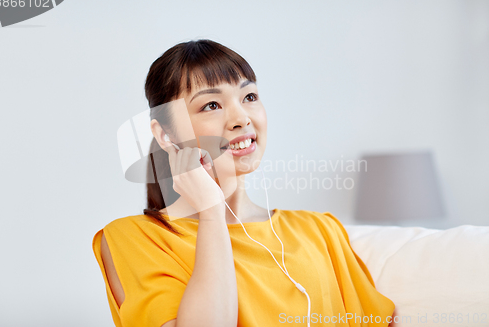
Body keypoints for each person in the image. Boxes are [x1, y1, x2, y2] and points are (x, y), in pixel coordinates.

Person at [92, 39, 395, 327]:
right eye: (211, 105)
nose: (241, 119)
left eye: (249, 97)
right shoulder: (136, 239)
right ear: (165, 135)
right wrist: (211, 212)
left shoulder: (320, 230)